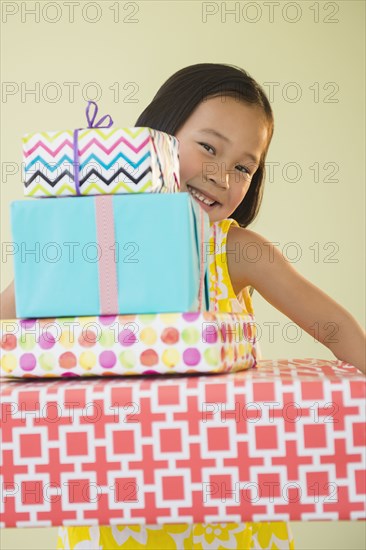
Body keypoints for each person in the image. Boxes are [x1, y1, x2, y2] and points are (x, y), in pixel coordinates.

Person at [2, 62, 365, 549]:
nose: (221, 175)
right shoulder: (97, 238)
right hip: (112, 502)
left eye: (243, 166)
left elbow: (336, 329)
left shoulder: (235, 251)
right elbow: (8, 315)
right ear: (158, 138)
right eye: (208, 148)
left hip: (229, 509)